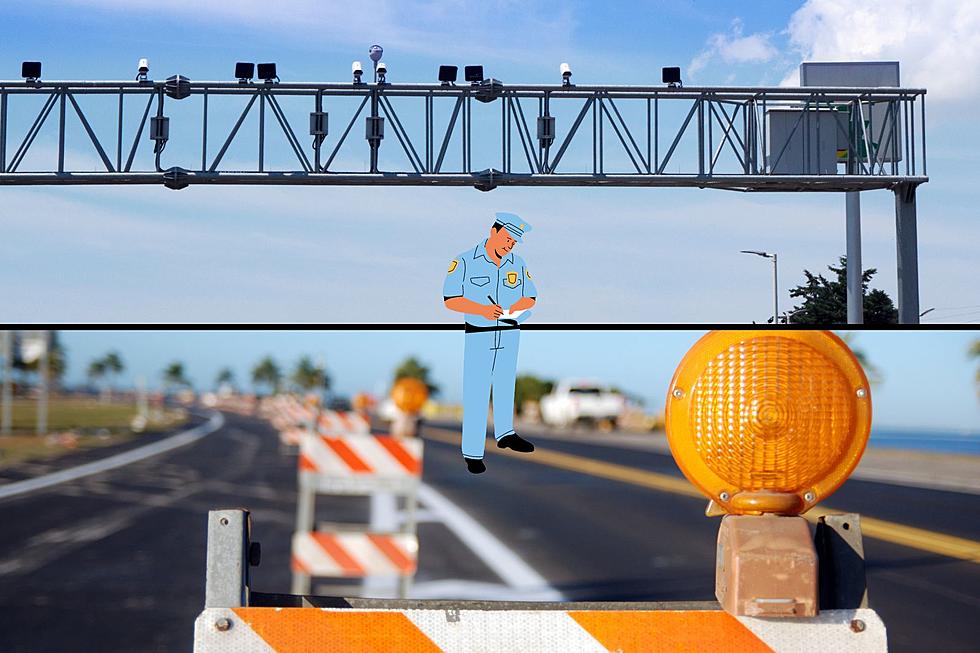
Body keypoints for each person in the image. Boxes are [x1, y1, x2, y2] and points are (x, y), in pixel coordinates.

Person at [443, 213, 537, 474]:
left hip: (510, 329)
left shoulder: (517, 263)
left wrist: (514, 307)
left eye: (514, 243)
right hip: (480, 332)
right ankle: (473, 453)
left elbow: (530, 297)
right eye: (507, 239)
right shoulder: (463, 261)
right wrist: (482, 310)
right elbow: (451, 299)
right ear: (493, 232)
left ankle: (506, 433)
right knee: (477, 391)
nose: (509, 246)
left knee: (506, 385)